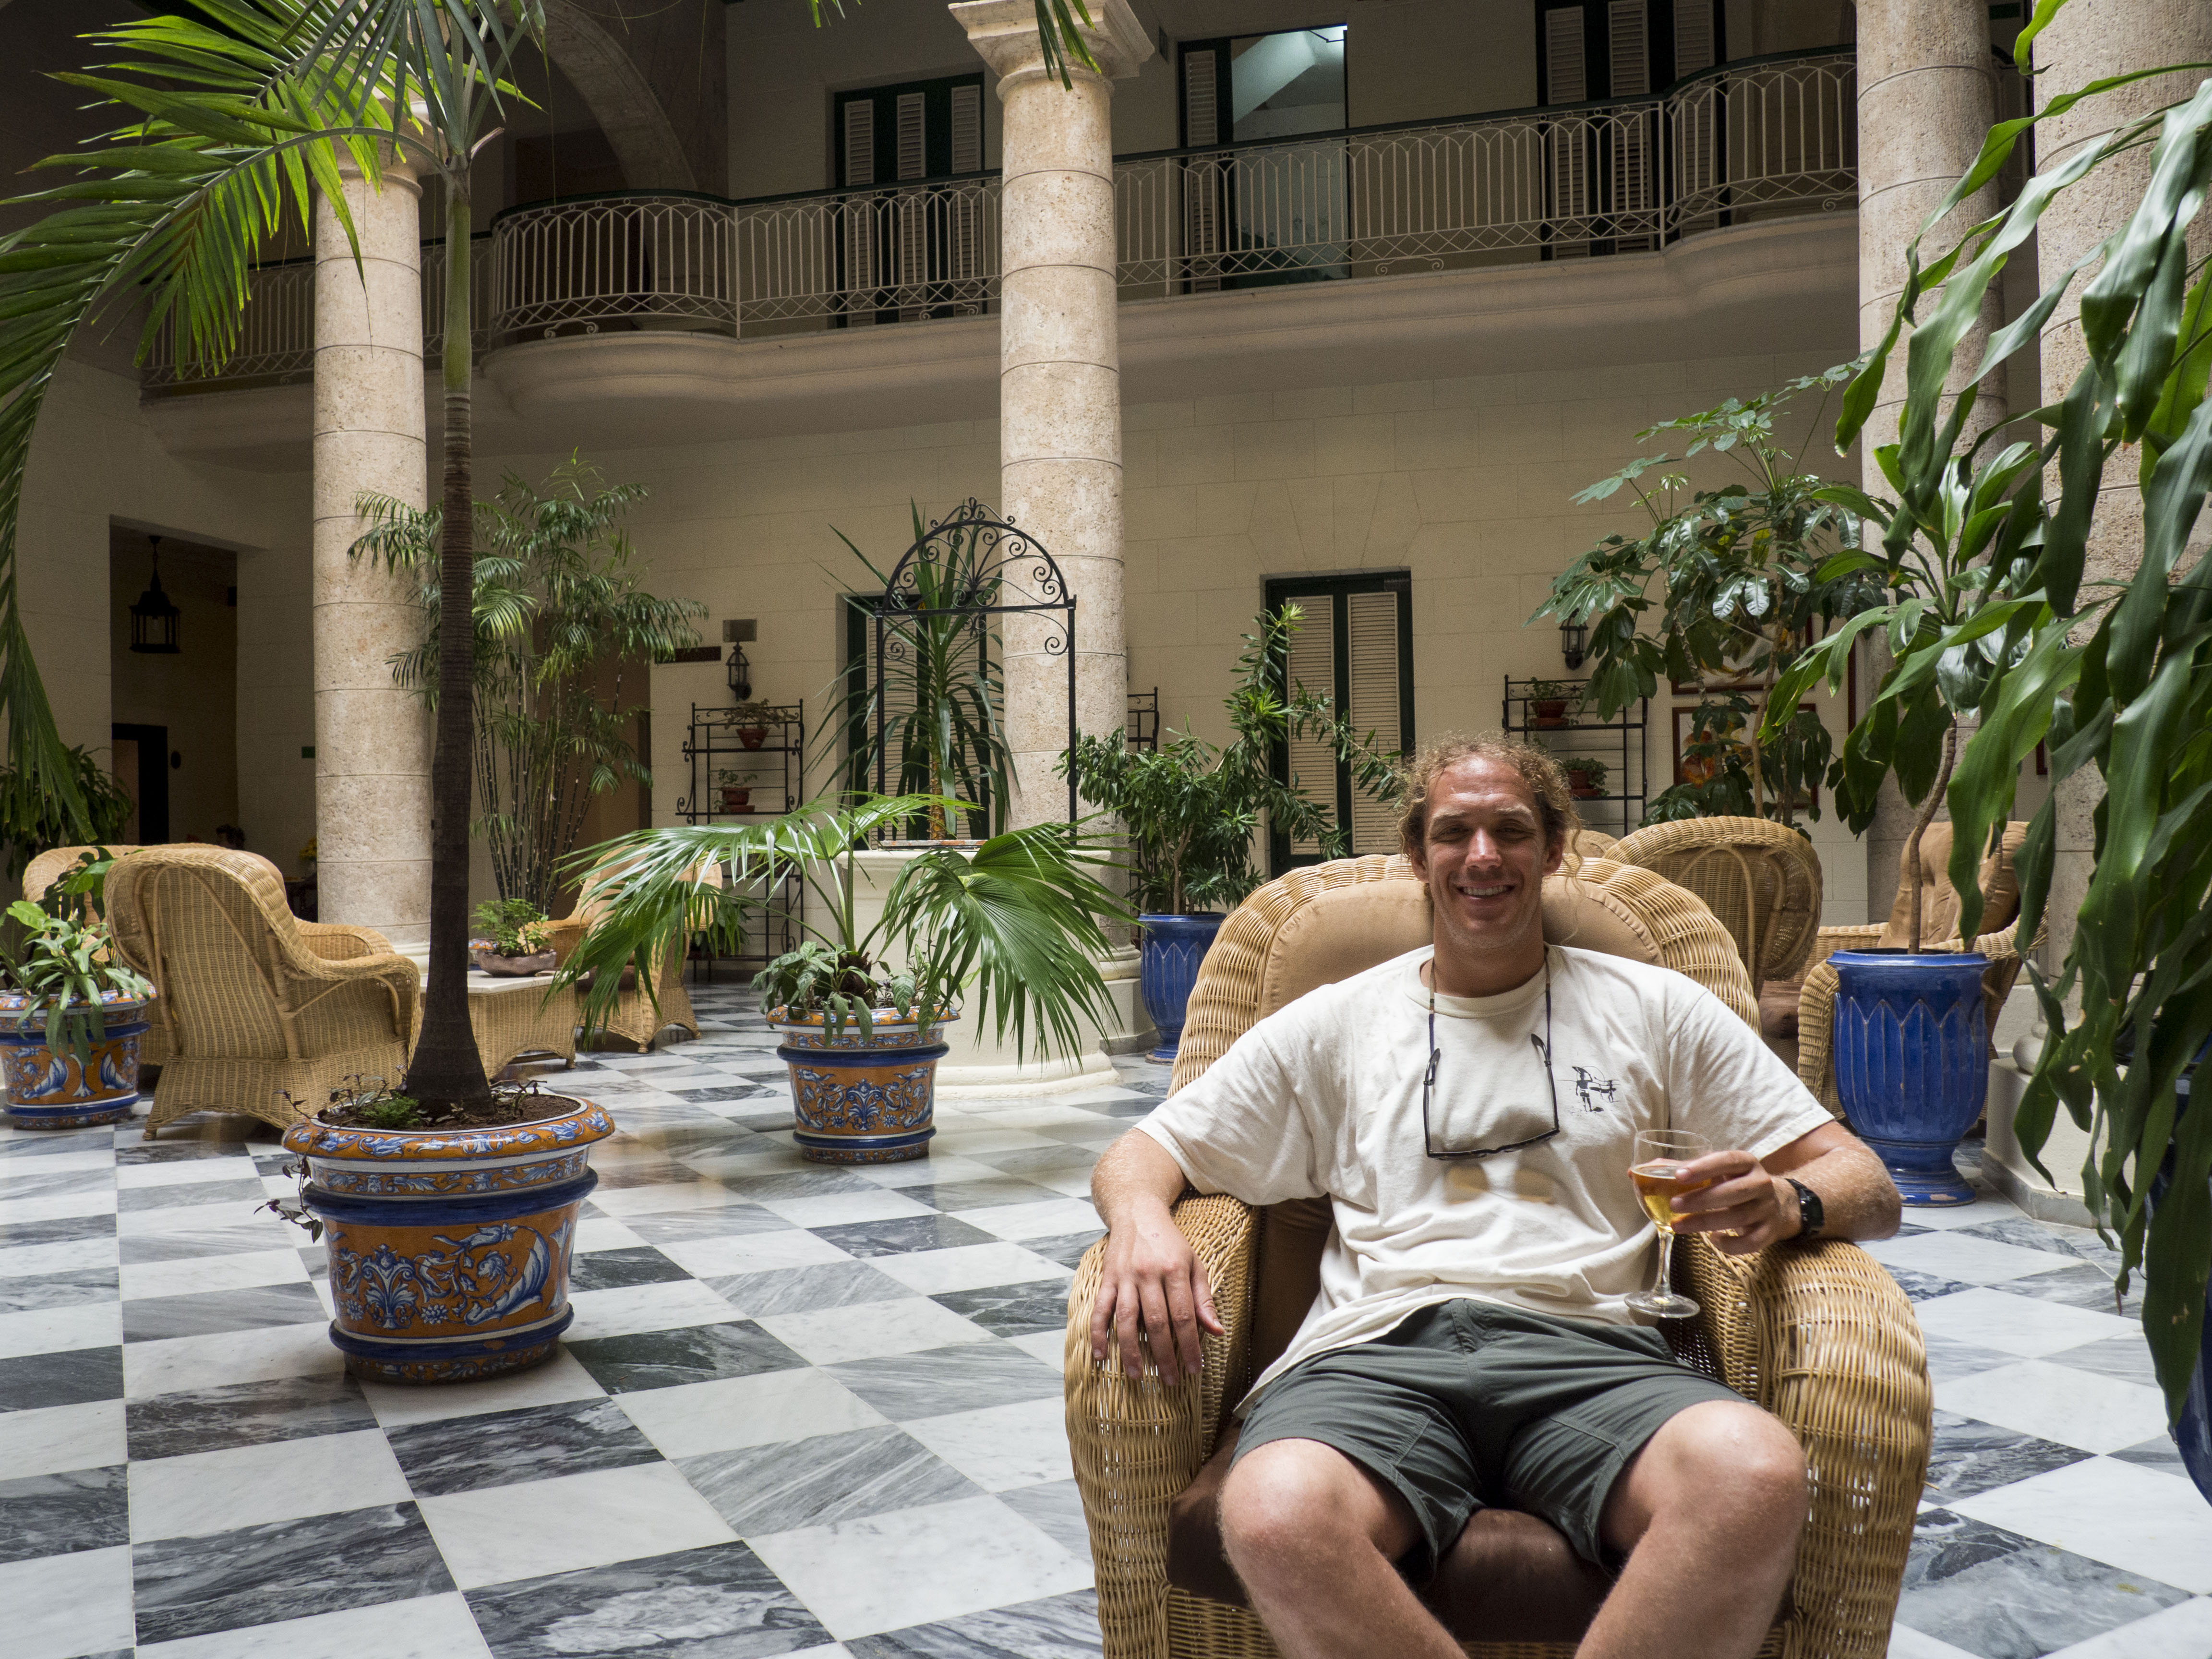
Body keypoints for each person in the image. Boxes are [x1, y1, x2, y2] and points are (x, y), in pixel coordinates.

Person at [1088, 734, 1901, 1659]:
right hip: (1377, 1353)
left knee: (1753, 1475)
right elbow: (1141, 1151)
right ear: (1418, 854)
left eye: (1510, 830)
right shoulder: (1338, 1021)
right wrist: (1143, 1223)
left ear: (1553, 849)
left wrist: (1793, 1201)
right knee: (1273, 1512)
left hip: (1594, 1350)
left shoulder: (1657, 1008)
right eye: (1454, 832)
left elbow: (1866, 1183)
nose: (1482, 856)